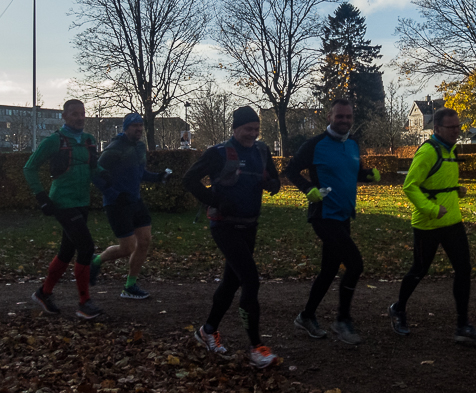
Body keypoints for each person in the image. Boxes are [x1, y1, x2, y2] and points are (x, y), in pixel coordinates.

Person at [182, 106, 282, 368]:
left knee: (231, 282)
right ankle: (256, 347)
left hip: (250, 224)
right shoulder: (217, 153)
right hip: (224, 225)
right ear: (235, 128)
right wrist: (214, 200)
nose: (253, 134)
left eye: (256, 129)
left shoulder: (261, 150)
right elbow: (189, 179)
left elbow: (272, 177)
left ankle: (207, 330)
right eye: (248, 129)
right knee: (250, 279)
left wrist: (273, 185)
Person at [388, 107, 476, 345]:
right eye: (451, 127)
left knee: (464, 269)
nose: (456, 131)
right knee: (419, 270)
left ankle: (462, 326)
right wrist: (432, 209)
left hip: (452, 221)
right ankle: (398, 308)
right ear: (437, 129)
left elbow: (437, 181)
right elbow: (410, 185)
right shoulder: (427, 151)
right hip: (428, 223)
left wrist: (455, 190)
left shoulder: (450, 150)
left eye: (458, 127)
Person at [284, 98, 381, 344]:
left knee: (329, 270)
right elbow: (291, 170)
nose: (344, 121)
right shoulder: (315, 144)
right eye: (340, 116)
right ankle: (342, 320)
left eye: (348, 117)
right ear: (329, 117)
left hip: (344, 215)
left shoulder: (353, 144)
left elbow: (353, 171)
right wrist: (308, 189)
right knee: (355, 265)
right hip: (324, 215)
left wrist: (367, 175)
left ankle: (306, 316)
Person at [23, 99, 103, 320]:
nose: (80, 118)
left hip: (82, 201)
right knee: (86, 248)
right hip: (62, 202)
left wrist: (115, 180)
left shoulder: (89, 140)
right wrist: (41, 197)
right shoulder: (54, 141)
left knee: (67, 252)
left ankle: (44, 293)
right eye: (75, 114)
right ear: (64, 117)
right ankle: (84, 302)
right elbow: (29, 168)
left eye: (82, 113)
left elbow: (95, 171)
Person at [89, 113, 171, 300]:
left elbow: (139, 173)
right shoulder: (114, 148)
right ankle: (95, 260)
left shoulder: (140, 147)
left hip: (135, 201)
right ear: (125, 128)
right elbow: (95, 175)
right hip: (116, 204)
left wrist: (158, 177)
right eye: (135, 126)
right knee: (127, 248)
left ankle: (130, 286)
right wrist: (114, 195)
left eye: (141, 125)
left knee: (144, 241)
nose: (139, 129)